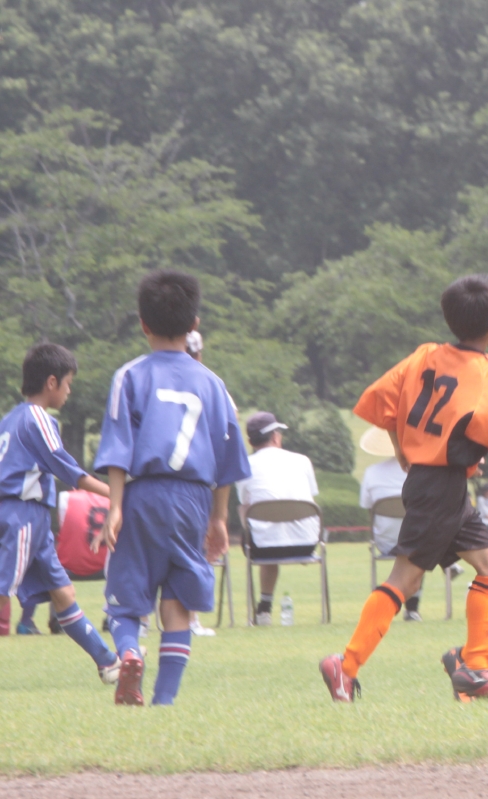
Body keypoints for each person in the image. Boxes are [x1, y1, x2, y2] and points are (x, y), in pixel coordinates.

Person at [318, 274, 488, 703]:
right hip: (441, 486)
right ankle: (346, 665)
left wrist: (402, 446)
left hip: (432, 482)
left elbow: (379, 401)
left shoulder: (424, 355)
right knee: (405, 578)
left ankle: (472, 665)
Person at [95, 270, 251, 706]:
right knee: (179, 598)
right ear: (194, 324)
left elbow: (118, 448)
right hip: (194, 499)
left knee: (126, 600)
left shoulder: (129, 376)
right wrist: (218, 519)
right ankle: (164, 701)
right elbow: (227, 460)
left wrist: (115, 507)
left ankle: (129, 652)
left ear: (142, 323)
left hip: (143, 494)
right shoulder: (213, 384)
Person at [0, 343, 119, 683]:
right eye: (68, 383)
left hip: (33, 518)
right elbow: (71, 473)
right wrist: (117, 495)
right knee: (2, 592)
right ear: (51, 382)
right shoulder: (38, 418)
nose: (69, 391)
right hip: (21, 514)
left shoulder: (11, 417)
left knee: (64, 593)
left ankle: (108, 663)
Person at [236, 412, 320, 626]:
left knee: (250, 514)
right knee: (273, 523)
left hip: (263, 548)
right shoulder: (302, 461)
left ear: (251, 442)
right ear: (275, 437)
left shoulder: (244, 465)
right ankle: (265, 607)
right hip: (306, 545)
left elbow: (245, 503)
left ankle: (264, 607)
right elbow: (309, 497)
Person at [359, 453, 428, 621]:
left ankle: (380, 604)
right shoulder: (422, 472)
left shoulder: (371, 472)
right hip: (416, 542)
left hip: (385, 542)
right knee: (420, 551)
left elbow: (368, 508)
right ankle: (412, 609)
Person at [184, 329, 216, 637]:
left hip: (148, 482)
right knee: (191, 555)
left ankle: (138, 623)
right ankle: (191, 620)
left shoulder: (143, 376)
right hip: (194, 484)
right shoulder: (210, 383)